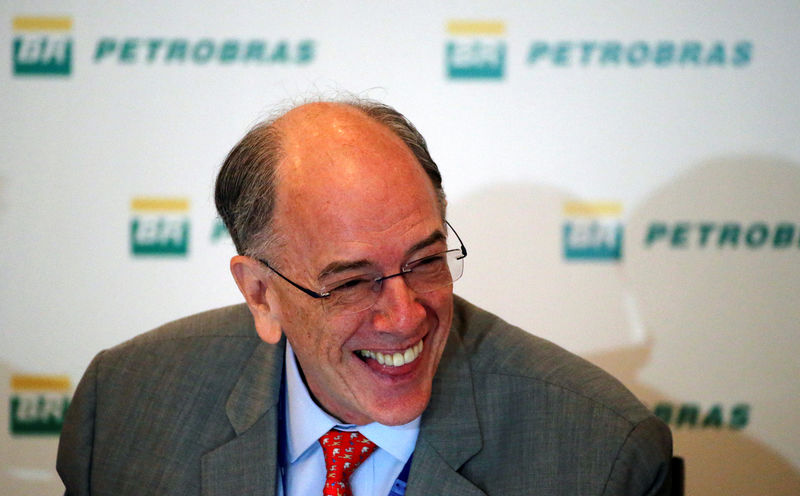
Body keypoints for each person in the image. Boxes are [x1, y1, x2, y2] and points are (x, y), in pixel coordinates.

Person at [57, 98, 672, 495]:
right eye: (352, 282)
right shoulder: (122, 407)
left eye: (426, 261)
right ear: (261, 295)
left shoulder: (601, 456)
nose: (405, 316)